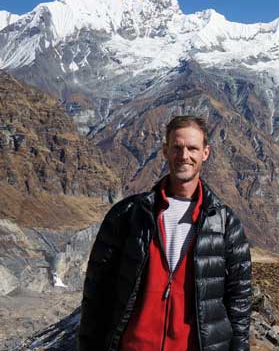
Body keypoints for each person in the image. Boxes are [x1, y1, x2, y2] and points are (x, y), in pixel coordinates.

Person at [78, 115, 251, 351]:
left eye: (192, 148)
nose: (184, 156)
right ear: (165, 151)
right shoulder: (128, 216)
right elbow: (96, 293)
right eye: (177, 148)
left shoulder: (225, 223)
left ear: (205, 153)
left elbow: (239, 300)